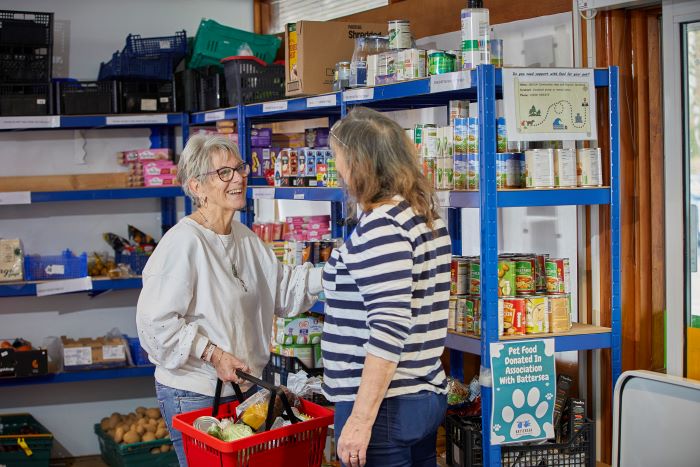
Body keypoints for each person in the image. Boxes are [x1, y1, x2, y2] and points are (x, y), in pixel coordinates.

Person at [136, 135, 323, 466]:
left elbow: (284, 289)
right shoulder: (183, 244)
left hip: (244, 388)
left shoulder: (245, 239)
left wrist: (337, 272)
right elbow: (155, 324)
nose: (238, 178)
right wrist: (213, 353)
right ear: (197, 186)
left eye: (239, 168)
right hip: (194, 392)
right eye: (224, 173)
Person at [322, 107, 452, 467]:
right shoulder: (421, 216)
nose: (336, 168)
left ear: (361, 163)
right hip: (420, 395)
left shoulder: (383, 227)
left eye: (339, 158)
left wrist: (360, 421)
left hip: (384, 408)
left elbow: (388, 328)